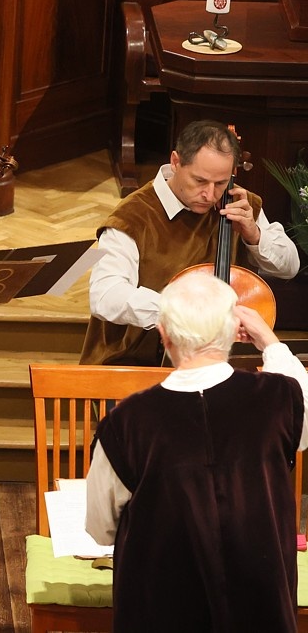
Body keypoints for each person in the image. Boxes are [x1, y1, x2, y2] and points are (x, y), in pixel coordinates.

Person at [85, 273, 308, 632]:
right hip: (261, 608)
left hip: (160, 610)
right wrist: (270, 341)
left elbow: (100, 529)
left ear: (163, 333)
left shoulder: (125, 421)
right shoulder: (280, 399)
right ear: (235, 329)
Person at [80, 119, 299, 366]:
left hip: (221, 365)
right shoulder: (133, 217)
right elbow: (105, 295)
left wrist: (254, 234)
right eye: (200, 181)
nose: (210, 194)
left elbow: (289, 267)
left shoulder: (238, 203)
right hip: (134, 362)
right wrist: (186, 313)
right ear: (176, 162)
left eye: (221, 182)